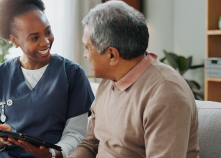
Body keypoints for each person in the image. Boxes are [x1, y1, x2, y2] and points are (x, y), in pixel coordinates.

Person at [68, 1, 200, 158]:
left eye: (87, 47)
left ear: (111, 55)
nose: (85, 55)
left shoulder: (166, 93)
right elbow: (90, 144)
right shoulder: (109, 81)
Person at [0, 0, 94, 158]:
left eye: (48, 31)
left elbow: (76, 134)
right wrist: (0, 139)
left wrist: (52, 153)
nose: (45, 42)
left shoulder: (73, 74)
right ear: (15, 41)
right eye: (34, 38)